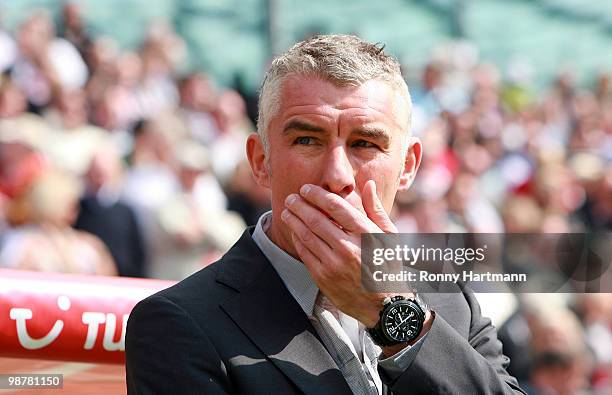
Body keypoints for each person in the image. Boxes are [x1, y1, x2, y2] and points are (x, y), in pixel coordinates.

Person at [126, 34, 524, 394]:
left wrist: (395, 318)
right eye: (307, 140)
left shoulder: (451, 303)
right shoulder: (179, 323)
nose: (337, 177)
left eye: (365, 143)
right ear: (261, 161)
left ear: (407, 167)